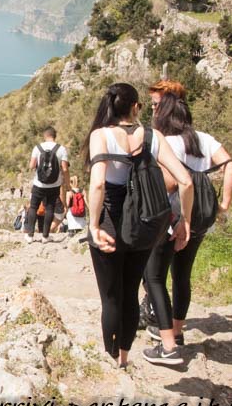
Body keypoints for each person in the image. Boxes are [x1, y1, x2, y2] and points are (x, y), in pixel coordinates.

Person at [83, 83, 193, 369]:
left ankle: (110, 360)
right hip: (144, 224)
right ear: (135, 107)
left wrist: (94, 226)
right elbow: (185, 181)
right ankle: (124, 358)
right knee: (131, 292)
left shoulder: (101, 135)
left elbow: (97, 183)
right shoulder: (154, 136)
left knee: (110, 297)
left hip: (110, 220)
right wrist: (185, 221)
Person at [141, 94, 232, 366]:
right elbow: (230, 166)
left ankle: (168, 344)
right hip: (199, 218)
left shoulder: (163, 142)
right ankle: (177, 330)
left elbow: (170, 183)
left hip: (171, 218)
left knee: (155, 277)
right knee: (182, 275)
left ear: (163, 115)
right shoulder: (203, 139)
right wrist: (223, 204)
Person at [23, 126, 69, 244]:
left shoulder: (38, 148)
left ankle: (30, 235)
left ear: (45, 136)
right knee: (50, 208)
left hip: (39, 184)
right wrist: (67, 183)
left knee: (33, 207)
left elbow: (31, 166)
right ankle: (45, 236)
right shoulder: (61, 149)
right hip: (54, 185)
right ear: (55, 136)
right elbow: (64, 168)